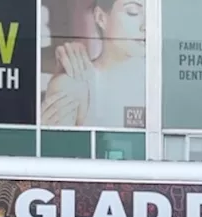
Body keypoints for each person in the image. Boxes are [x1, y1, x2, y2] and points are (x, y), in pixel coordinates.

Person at [40, 0, 146, 128]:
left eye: (152, 15)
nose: (146, 26)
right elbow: (57, 144)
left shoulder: (160, 85)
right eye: (132, 12)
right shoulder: (72, 83)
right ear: (101, 18)